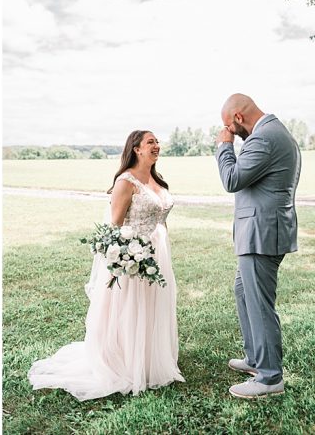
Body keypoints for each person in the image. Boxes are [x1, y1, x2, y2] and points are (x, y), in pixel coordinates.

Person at [27, 130, 184, 401]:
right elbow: (114, 227)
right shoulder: (126, 182)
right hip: (135, 256)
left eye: (157, 141)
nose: (156, 146)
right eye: (150, 142)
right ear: (136, 149)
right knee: (131, 307)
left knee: (154, 304)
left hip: (159, 254)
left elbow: (161, 219)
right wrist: (126, 257)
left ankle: (149, 360)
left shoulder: (157, 180)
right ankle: (124, 363)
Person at [216, 93, 300, 398]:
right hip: (264, 230)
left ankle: (269, 377)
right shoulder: (273, 132)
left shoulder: (263, 138)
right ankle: (255, 359)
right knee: (244, 292)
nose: (230, 132)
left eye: (229, 126)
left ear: (238, 117)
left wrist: (224, 147)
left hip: (261, 235)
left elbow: (232, 179)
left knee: (260, 303)